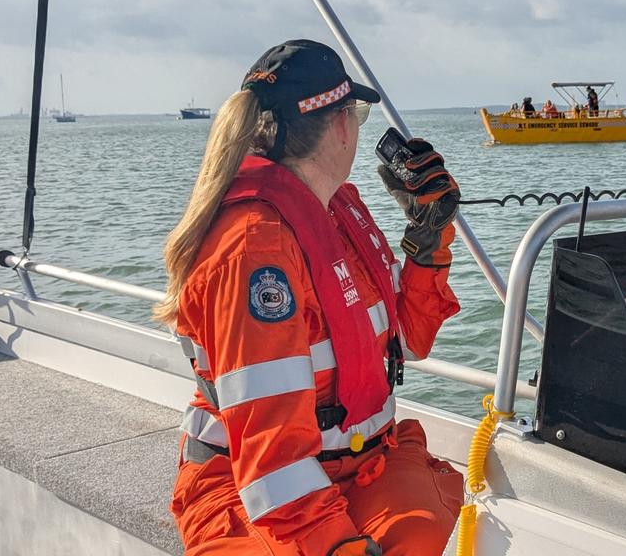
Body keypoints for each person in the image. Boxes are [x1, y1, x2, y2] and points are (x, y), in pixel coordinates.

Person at [156, 39, 463, 556]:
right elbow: (270, 461)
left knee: (418, 528)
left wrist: (427, 239)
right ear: (341, 124)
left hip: (356, 465)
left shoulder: (337, 214)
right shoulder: (255, 252)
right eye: (357, 116)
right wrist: (336, 547)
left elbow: (406, 343)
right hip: (255, 494)